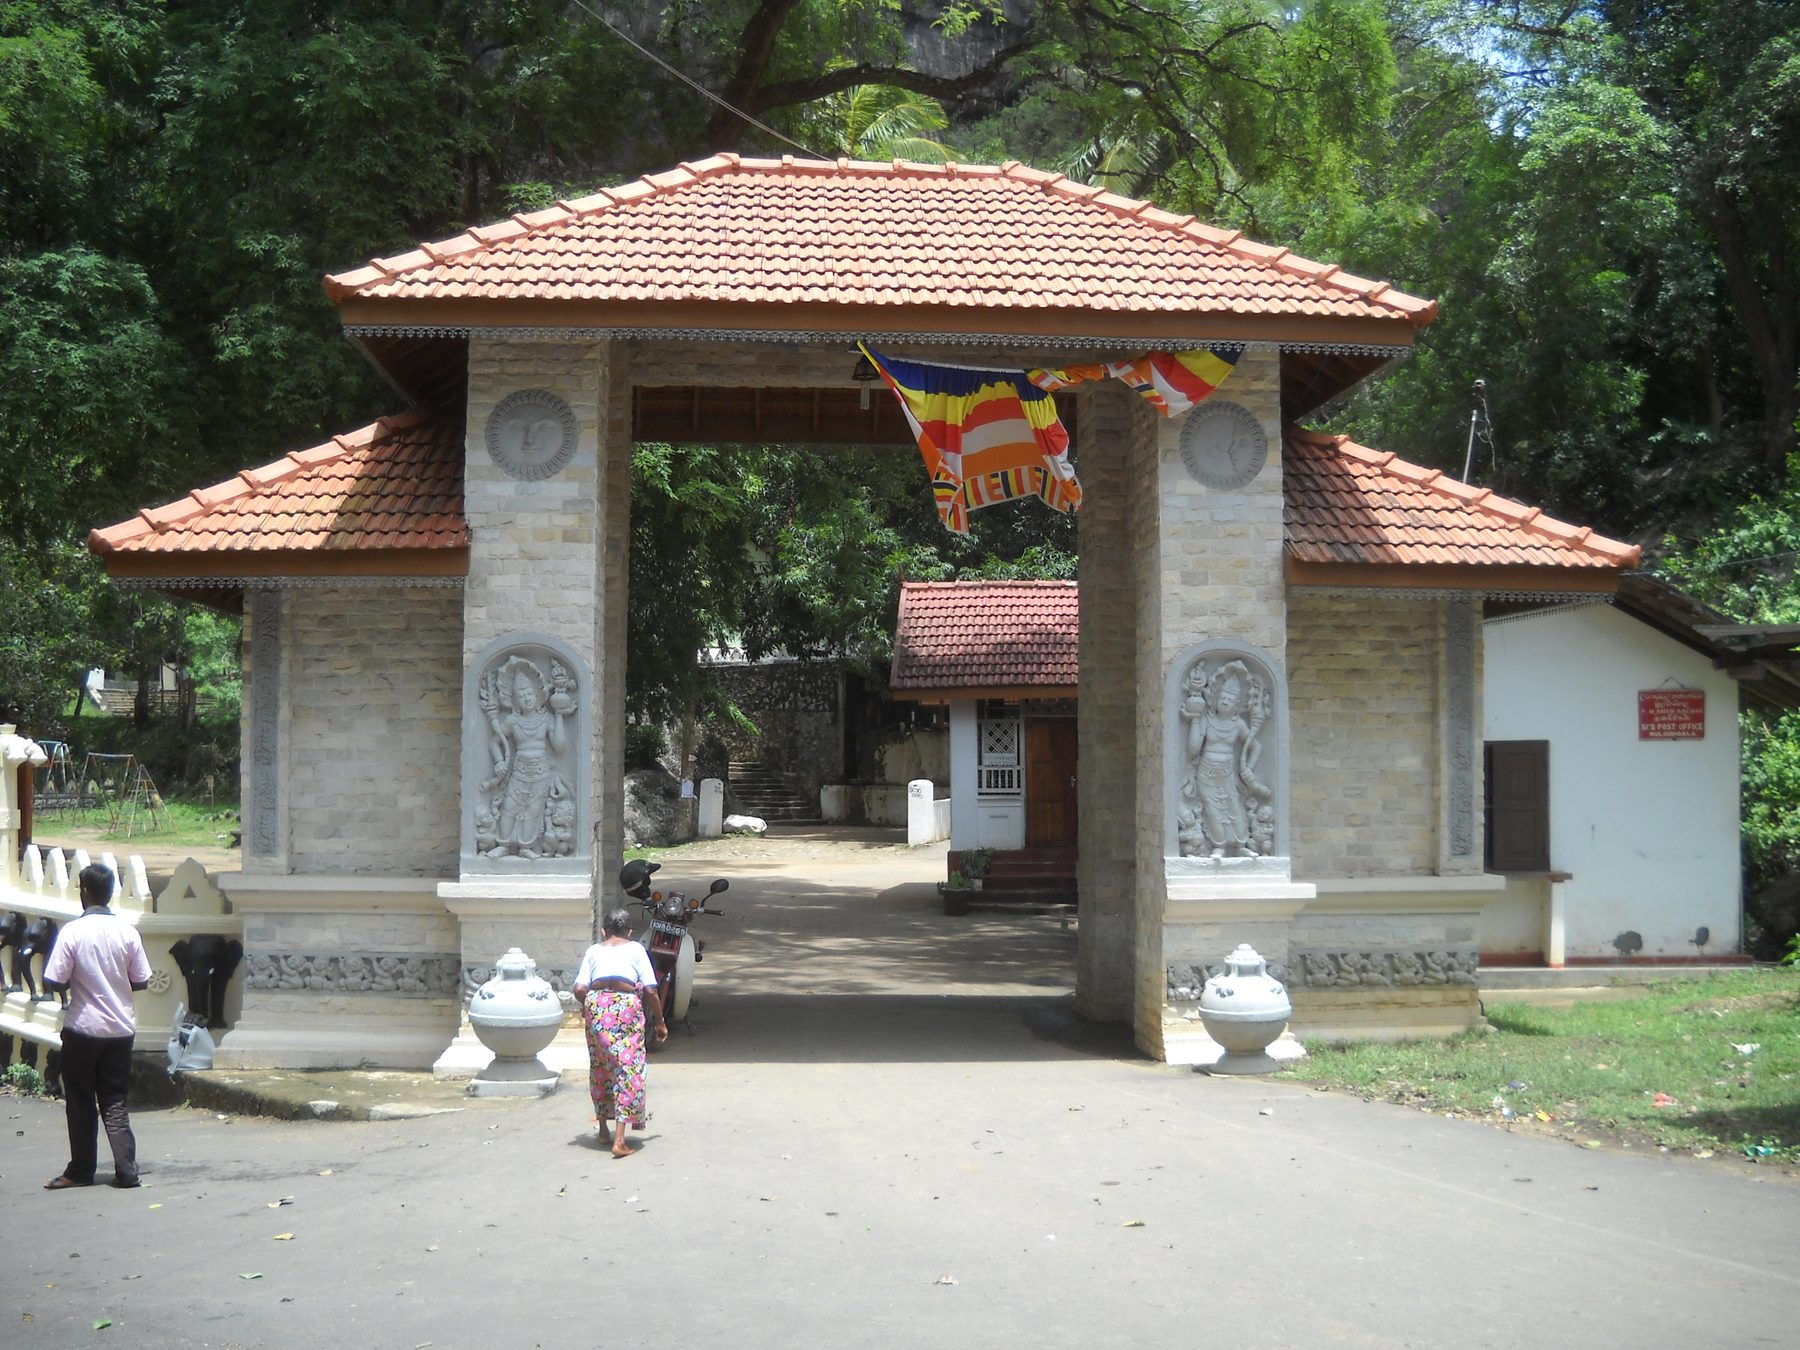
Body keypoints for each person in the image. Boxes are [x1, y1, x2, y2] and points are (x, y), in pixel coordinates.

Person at [42, 862, 151, 1190]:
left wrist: (80, 984)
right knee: (115, 1099)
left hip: (83, 1028)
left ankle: (81, 1170)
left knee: (80, 1099)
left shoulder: (73, 932)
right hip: (120, 1030)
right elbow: (141, 980)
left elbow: (53, 979)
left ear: (86, 892)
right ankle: (127, 1170)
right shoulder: (128, 931)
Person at [571, 907, 668, 1157]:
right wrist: (660, 1022)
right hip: (624, 1004)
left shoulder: (594, 950)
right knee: (627, 1067)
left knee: (601, 1064)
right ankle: (620, 1141)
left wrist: (590, 1008)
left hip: (596, 1004)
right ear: (630, 932)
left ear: (604, 931)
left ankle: (603, 1130)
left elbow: (580, 987)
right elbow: (650, 990)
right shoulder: (636, 949)